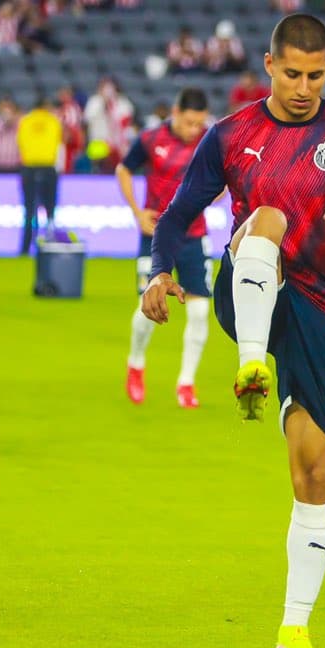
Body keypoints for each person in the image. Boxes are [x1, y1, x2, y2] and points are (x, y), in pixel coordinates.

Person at [140, 13, 325, 648]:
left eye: (315, 76)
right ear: (269, 65)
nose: (303, 87)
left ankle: (294, 630)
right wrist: (158, 272)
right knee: (266, 218)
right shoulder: (231, 134)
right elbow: (178, 216)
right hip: (249, 289)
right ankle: (250, 370)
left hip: (320, 311)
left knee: (314, 472)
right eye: (291, 73)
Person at [116, 88, 212, 408]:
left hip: (194, 235)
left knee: (199, 312)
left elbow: (225, 181)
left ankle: (186, 383)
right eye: (188, 122)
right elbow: (123, 169)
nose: (193, 129)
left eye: (199, 123)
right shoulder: (150, 139)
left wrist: (212, 195)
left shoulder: (210, 141)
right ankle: (136, 363)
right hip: (157, 235)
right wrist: (136, 211)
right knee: (149, 307)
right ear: (175, 112)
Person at [16, 95, 63, 255]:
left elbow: (20, 143)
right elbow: (58, 142)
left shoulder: (25, 121)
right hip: (48, 167)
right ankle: (49, 246)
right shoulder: (53, 121)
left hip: (29, 168)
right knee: (50, 210)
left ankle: (25, 247)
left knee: (29, 210)